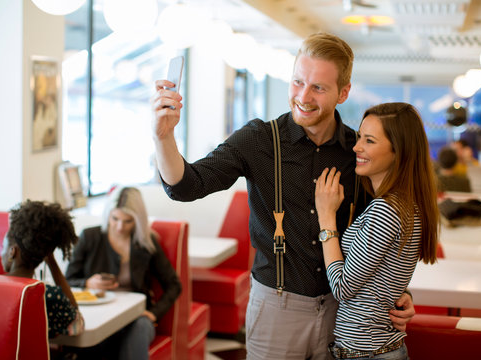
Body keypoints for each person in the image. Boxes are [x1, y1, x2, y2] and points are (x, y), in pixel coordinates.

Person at [151, 32, 415, 359]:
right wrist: (163, 138)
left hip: (342, 315)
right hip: (276, 310)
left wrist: (398, 291)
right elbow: (187, 185)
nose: (303, 96)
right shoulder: (258, 139)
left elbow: (377, 239)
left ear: (343, 92)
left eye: (318, 87)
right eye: (297, 82)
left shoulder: (357, 153)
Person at [315, 103, 438, 359]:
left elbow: (341, 287)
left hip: (367, 352)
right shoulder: (405, 204)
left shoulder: (386, 209)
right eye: (360, 137)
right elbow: (382, 278)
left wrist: (326, 218)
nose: (357, 147)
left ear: (398, 152)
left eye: (369, 141)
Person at [65, 186, 181, 360]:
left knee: (138, 329)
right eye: (115, 219)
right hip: (101, 314)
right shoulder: (90, 237)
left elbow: (174, 284)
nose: (119, 227)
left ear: (138, 220)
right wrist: (87, 283)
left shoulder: (146, 244)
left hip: (136, 317)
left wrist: (154, 313)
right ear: (107, 214)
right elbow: (68, 280)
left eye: (128, 221)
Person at [1, 200, 84, 339]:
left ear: (12, 252)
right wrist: (51, 261)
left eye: (2, 247)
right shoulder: (49, 297)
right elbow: (77, 325)